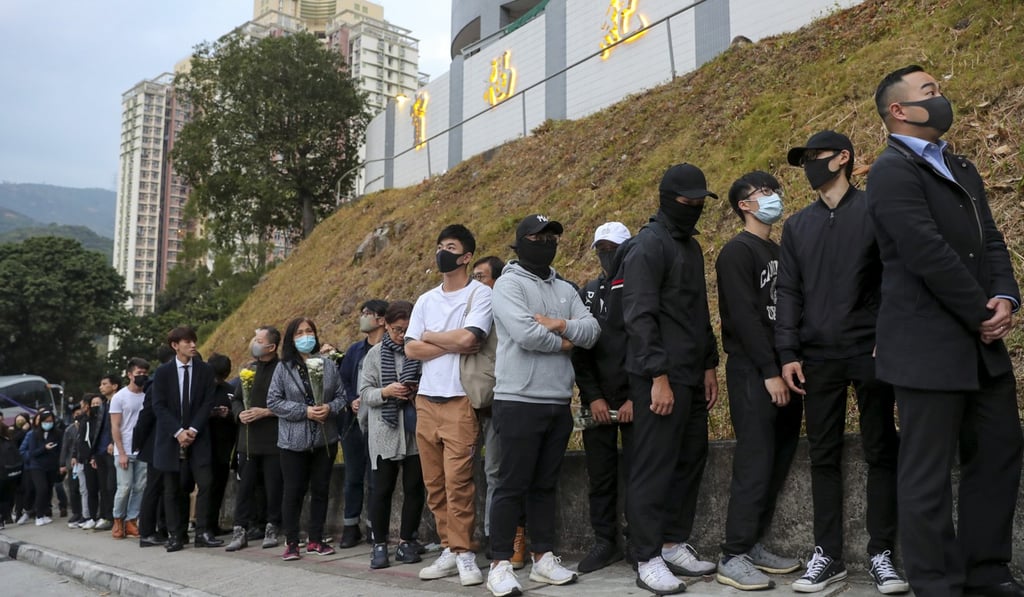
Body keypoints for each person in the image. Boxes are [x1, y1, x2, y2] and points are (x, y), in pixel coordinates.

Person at [866, 65, 1023, 597]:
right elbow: (924, 251)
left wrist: (1005, 297)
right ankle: (936, 582)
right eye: (929, 91)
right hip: (927, 347)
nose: (941, 97)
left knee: (997, 454)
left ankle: (987, 571)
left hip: (980, 346)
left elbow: (991, 240)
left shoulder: (960, 166)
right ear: (899, 110)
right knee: (927, 473)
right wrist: (981, 311)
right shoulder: (891, 171)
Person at [778, 130, 907, 594]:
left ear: (843, 159)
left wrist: (887, 333)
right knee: (823, 455)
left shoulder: (875, 210)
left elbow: (896, 275)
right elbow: (788, 291)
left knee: (881, 448)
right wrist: (788, 352)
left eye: (816, 157)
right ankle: (827, 555)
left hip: (869, 349)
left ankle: (882, 553)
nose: (809, 166)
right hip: (817, 356)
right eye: (805, 160)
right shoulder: (797, 226)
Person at [487, 214, 601, 597]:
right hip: (518, 399)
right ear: (520, 243)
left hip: (558, 401)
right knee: (510, 485)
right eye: (537, 238)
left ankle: (543, 558)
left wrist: (558, 324)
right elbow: (525, 334)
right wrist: (567, 339)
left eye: (551, 237)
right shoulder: (508, 284)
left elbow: (592, 331)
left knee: (545, 485)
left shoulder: (566, 288)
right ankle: (500, 564)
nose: (546, 243)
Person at [622, 163, 720, 595]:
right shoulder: (648, 246)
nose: (695, 207)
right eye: (687, 201)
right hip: (659, 377)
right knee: (654, 465)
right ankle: (646, 557)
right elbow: (639, 316)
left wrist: (709, 364)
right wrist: (657, 375)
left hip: (691, 374)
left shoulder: (690, 247)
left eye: (700, 201)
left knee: (690, 458)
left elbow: (698, 311)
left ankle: (672, 542)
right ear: (667, 200)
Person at [713, 172, 803, 590]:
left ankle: (751, 544)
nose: (773, 197)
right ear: (744, 205)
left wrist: (788, 363)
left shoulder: (779, 250)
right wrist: (769, 371)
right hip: (754, 371)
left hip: (786, 368)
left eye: (774, 190)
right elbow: (745, 317)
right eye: (763, 192)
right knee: (754, 461)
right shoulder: (737, 252)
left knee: (777, 461)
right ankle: (732, 554)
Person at [404, 224, 491, 587]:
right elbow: (411, 348)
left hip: (460, 400)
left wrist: (430, 337)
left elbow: (471, 339)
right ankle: (449, 548)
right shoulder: (426, 300)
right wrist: (448, 341)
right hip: (426, 400)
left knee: (459, 482)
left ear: (466, 256)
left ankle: (465, 551)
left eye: (450, 247)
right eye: (440, 246)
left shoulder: (480, 294)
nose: (442, 252)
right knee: (435, 483)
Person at [571, 222, 633, 574]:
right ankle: (604, 541)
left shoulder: (640, 287)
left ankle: (639, 539)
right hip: (594, 400)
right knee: (600, 475)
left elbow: (647, 345)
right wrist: (592, 397)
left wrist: (635, 397)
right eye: (602, 249)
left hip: (635, 398)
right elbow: (580, 351)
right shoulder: (588, 293)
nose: (607, 255)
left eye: (613, 248)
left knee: (640, 472)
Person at [267, 317, 347, 561]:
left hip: (325, 439)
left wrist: (330, 408)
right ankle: (292, 541)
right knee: (293, 491)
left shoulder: (328, 365)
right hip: (293, 442)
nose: (305, 336)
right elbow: (274, 401)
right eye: (299, 333)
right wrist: (305, 411)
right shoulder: (283, 368)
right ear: (292, 339)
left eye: (309, 331)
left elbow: (342, 396)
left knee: (321, 489)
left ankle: (316, 539)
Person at [357, 300, 427, 569]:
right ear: (385, 325)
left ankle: (407, 541)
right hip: (384, 431)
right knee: (381, 490)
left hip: (414, 430)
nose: (402, 335)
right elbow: (365, 393)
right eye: (397, 329)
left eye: (407, 330)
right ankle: (379, 544)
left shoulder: (419, 350)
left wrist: (415, 390)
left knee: (414, 488)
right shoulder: (374, 355)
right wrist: (386, 392)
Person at [151, 326, 221, 552]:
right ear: (175, 345)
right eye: (187, 342)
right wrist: (178, 431)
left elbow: (207, 402)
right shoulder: (163, 372)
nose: (193, 345)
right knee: (172, 488)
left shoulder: (204, 370)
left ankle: (203, 532)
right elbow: (158, 406)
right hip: (170, 438)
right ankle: (176, 534)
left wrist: (192, 429)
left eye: (194, 341)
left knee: (206, 483)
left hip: (198, 436)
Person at [471, 254, 519, 563]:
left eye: (481, 277)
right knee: (465, 474)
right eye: (473, 277)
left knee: (495, 472)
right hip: (467, 405)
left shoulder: (507, 313)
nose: (476, 283)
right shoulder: (468, 312)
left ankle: (493, 534)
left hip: (498, 405)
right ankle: (463, 537)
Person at [225, 327, 283, 552]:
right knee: (245, 488)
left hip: (273, 439)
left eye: (259, 340)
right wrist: (239, 413)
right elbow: (236, 399)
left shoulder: (282, 370)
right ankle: (240, 529)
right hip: (247, 440)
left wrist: (266, 412)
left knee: (273, 486)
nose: (254, 344)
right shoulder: (249, 369)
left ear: (271, 347)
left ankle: (272, 526)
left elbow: (291, 402)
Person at [336, 300, 388, 548]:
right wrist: (351, 400)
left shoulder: (390, 349)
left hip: (381, 421)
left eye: (367, 313)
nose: (362, 317)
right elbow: (344, 380)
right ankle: (350, 526)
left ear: (381, 319)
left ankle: (374, 527)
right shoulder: (355, 350)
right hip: (354, 423)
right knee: (353, 476)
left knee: (375, 478)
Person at [134, 345, 174, 547]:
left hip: (166, 442)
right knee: (153, 488)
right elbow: (146, 415)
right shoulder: (158, 382)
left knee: (164, 488)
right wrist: (138, 442)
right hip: (155, 444)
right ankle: (147, 532)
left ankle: (162, 528)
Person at [110, 358, 150, 540]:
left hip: (142, 449)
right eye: (138, 373)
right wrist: (121, 452)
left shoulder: (148, 395)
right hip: (124, 449)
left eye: (145, 373)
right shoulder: (119, 397)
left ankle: (131, 520)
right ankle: (118, 519)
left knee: (140, 487)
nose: (142, 376)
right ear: (129, 375)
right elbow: (115, 426)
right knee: (124, 487)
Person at [19, 409, 61, 526]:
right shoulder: (34, 434)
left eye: (50, 421)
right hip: (37, 466)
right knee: (41, 489)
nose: (48, 423)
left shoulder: (57, 433)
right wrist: (44, 448)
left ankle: (45, 512)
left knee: (48, 490)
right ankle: (39, 515)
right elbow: (32, 452)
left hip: (51, 466)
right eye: (46, 421)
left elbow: (60, 448)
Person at [90, 374, 120, 531]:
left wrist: (114, 442)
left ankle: (115, 517)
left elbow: (121, 425)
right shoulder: (104, 405)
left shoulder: (119, 401)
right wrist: (94, 453)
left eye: (104, 384)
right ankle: (106, 516)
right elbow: (99, 430)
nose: (101, 387)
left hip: (113, 450)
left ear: (114, 386)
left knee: (112, 485)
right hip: (100, 450)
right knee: (103, 486)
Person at [77, 395, 104, 530]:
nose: (95, 406)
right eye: (93, 404)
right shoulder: (84, 421)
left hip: (99, 458)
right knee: (91, 489)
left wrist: (94, 456)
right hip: (87, 460)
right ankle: (92, 517)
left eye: (98, 403)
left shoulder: (101, 420)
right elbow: (81, 441)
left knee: (104, 489)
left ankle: (102, 516)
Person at [62, 399, 87, 528]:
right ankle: (76, 512)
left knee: (84, 489)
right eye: (76, 413)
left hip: (84, 461)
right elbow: (65, 448)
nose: (78, 415)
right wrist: (62, 464)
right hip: (72, 464)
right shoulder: (69, 429)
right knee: (73, 490)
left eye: (80, 412)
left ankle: (85, 513)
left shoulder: (87, 426)